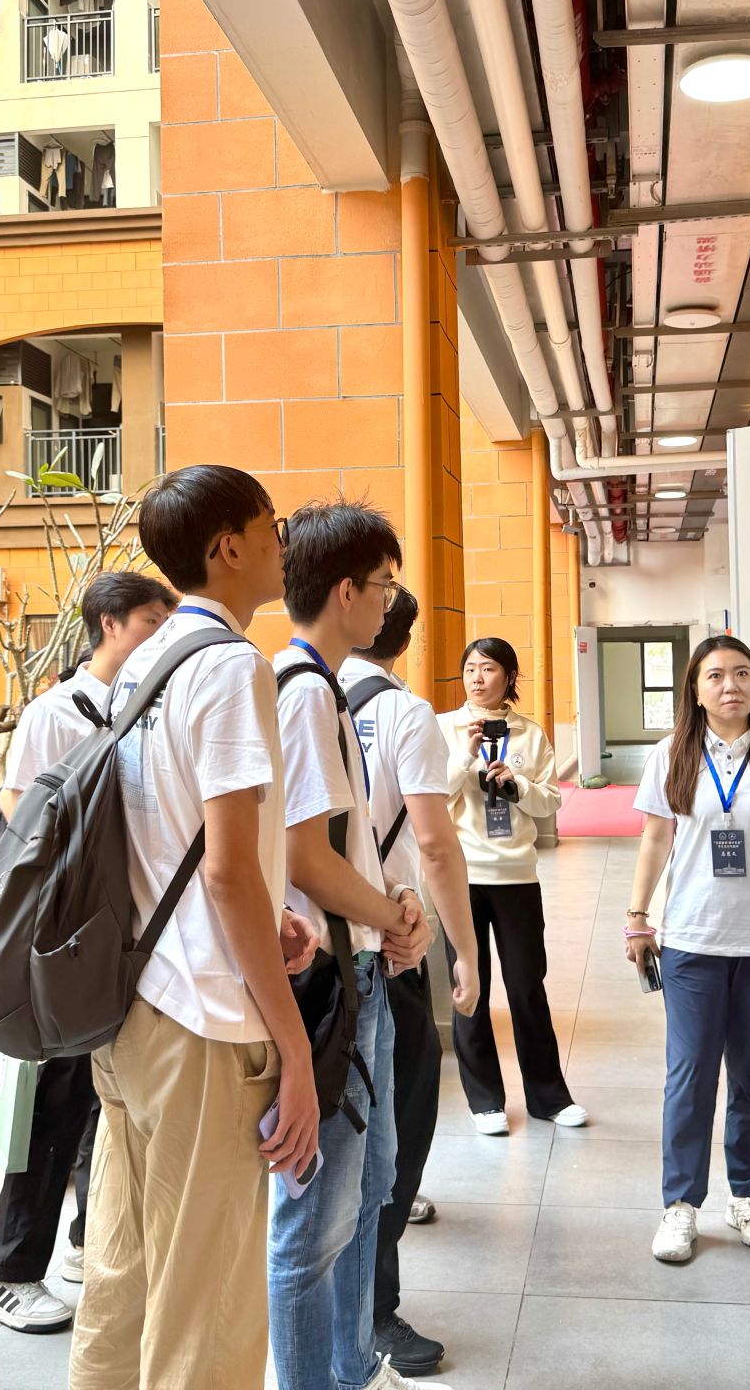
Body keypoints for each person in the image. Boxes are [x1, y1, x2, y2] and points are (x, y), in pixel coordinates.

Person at [68, 466, 320, 1390]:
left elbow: (166, 842)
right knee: (207, 1307)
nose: (282, 544)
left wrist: (267, 908)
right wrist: (295, 1050)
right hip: (206, 1021)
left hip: (130, 1007)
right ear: (228, 547)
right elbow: (223, 869)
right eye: (271, 526)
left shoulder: (144, 659)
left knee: (126, 1276)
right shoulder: (230, 665)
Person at [0, 570, 176, 1335]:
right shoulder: (55, 713)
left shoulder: (148, 706)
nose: (162, 635)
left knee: (103, 1105)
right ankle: (8, 1271)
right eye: (151, 620)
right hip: (64, 939)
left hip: (121, 938)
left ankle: (91, 1243)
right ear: (109, 623)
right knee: (50, 1108)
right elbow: (19, 814)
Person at [267, 500, 435, 1390]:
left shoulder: (322, 689)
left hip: (359, 966)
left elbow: (343, 846)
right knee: (314, 1218)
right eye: (382, 585)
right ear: (344, 591)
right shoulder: (302, 693)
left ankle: (351, 1367)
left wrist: (391, 907)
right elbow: (304, 858)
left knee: (370, 1187)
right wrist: (394, 916)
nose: (388, 602)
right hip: (329, 981)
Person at [626, 636, 750, 1264]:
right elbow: (655, 839)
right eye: (715, 675)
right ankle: (680, 1205)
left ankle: (745, 1195)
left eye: (741, 673)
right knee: (690, 1074)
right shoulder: (672, 754)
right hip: (691, 939)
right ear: (695, 688)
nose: (730, 685)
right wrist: (638, 917)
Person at [338, 588, 481, 1377]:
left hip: (303, 944)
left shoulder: (291, 690)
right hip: (386, 944)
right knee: (395, 1126)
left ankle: (342, 1302)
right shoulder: (402, 712)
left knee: (337, 1132)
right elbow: (434, 844)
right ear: (406, 638)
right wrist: (466, 950)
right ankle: (372, 1311)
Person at [437, 638, 581, 1135]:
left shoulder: (530, 734)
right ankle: (485, 1102)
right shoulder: (444, 728)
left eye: (489, 669)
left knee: (526, 987)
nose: (477, 678)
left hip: (517, 874)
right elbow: (433, 793)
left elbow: (550, 802)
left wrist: (516, 787)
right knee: (469, 989)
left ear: (510, 676)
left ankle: (549, 1098)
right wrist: (466, 757)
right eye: (470, 668)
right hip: (461, 877)